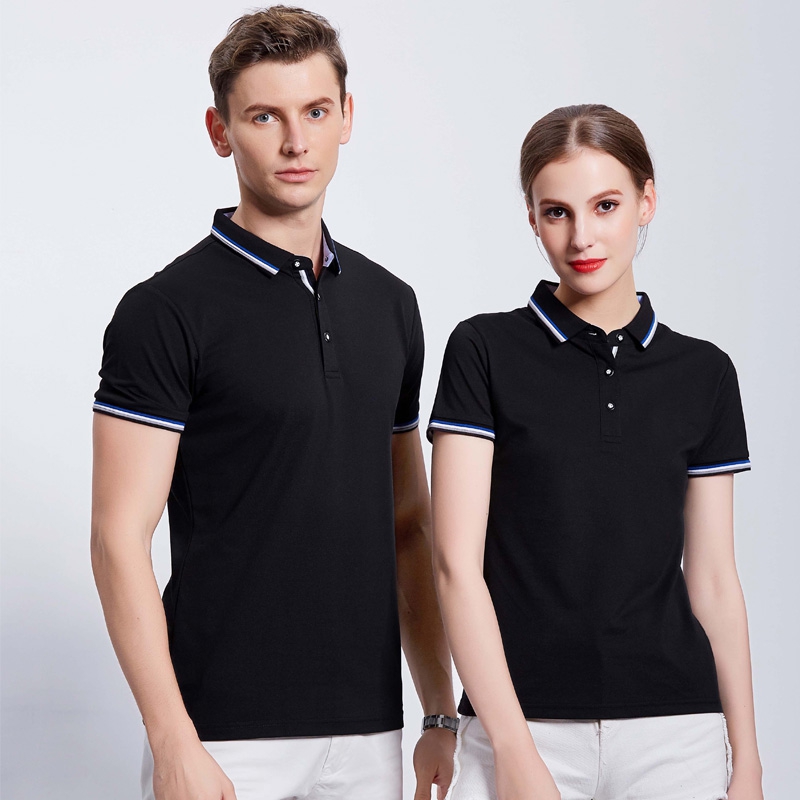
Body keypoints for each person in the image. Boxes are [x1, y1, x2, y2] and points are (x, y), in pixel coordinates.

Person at [90, 7, 457, 800]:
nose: (296, 142)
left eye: (315, 112)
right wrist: (173, 741)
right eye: (265, 117)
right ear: (221, 131)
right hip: (222, 735)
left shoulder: (391, 304)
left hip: (369, 733)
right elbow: (118, 538)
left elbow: (409, 524)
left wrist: (438, 710)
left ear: (346, 117)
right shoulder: (165, 311)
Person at [429, 105, 763, 800]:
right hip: (520, 725)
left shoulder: (703, 373)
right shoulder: (483, 351)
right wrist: (514, 752)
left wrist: (748, 760)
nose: (581, 236)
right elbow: (456, 567)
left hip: (677, 733)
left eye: (605, 205)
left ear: (646, 201)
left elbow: (713, 579)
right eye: (557, 212)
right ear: (532, 218)